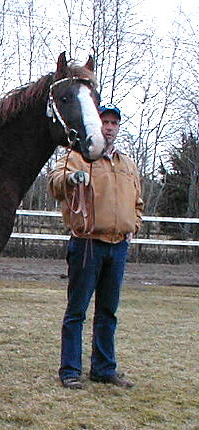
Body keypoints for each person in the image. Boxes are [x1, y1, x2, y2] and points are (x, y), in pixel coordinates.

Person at [48, 104, 143, 389]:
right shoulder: (76, 156)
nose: (110, 127)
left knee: (108, 311)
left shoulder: (127, 164)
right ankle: (70, 371)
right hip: (87, 244)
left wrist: (133, 225)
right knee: (77, 310)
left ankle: (103, 368)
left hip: (118, 247)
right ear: (97, 124)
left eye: (114, 122)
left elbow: (138, 201)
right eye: (105, 121)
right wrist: (70, 178)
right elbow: (54, 184)